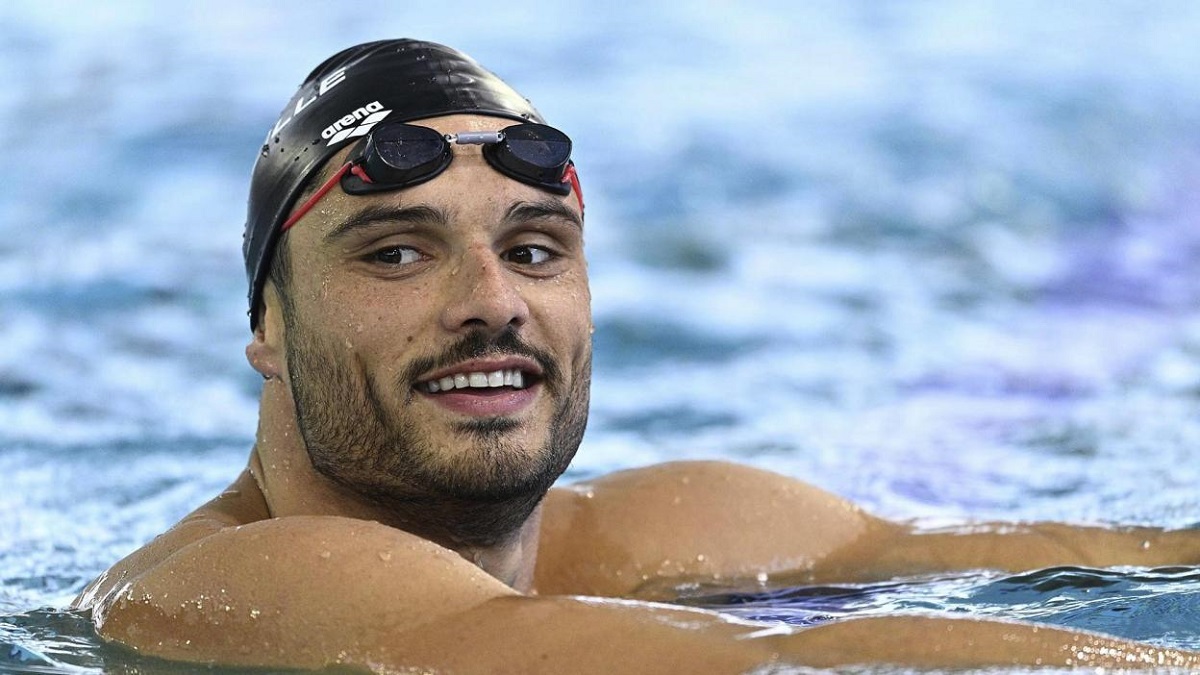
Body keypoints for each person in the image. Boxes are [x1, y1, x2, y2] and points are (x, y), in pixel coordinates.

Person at [73, 39, 1200, 672]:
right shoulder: (234, 584)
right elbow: (800, 671)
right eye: (400, 254)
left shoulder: (649, 533)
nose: (493, 304)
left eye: (534, 248)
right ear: (267, 327)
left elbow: (1128, 551)